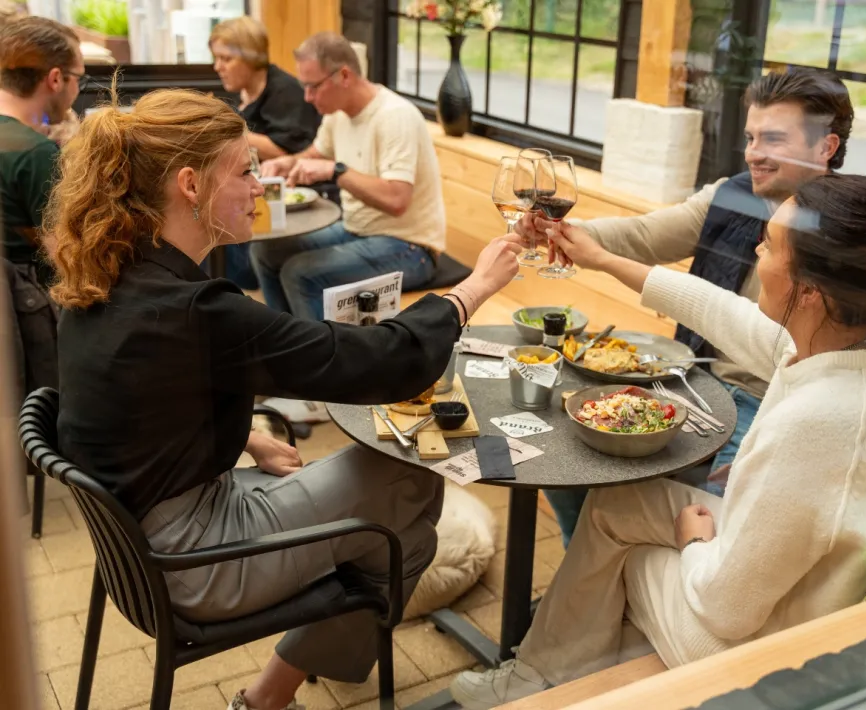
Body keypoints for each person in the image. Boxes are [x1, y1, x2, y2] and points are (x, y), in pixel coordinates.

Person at [45, 86, 521, 710]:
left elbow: (125, 397)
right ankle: (276, 690)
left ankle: (283, 680)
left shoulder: (114, 274)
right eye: (246, 171)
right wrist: (473, 288)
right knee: (411, 487)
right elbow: (375, 361)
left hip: (140, 541)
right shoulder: (193, 311)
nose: (260, 185)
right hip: (190, 562)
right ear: (190, 185)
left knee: (396, 516)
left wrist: (242, 436)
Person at [450, 173, 866, 709]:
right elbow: (721, 311)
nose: (757, 249)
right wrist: (602, 258)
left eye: (771, 245)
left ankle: (547, 682)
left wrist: (692, 541)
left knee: (618, 559)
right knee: (618, 501)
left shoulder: (823, 423)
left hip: (771, 649)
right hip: (810, 580)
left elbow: (726, 609)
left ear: (810, 291)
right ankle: (551, 666)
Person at [518, 67, 856, 546]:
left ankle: (614, 582)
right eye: (751, 137)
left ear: (827, 147)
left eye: (773, 139)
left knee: (715, 525)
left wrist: (600, 257)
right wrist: (565, 233)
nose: (754, 153)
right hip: (691, 381)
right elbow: (643, 235)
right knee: (563, 449)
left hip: (768, 406)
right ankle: (586, 565)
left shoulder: (846, 230)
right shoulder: (731, 194)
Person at [253, 31, 445, 321]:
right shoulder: (337, 113)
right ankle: (286, 346)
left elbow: (397, 200)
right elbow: (315, 154)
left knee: (300, 273)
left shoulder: (395, 117)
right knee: (264, 252)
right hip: (356, 229)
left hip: (410, 246)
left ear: (344, 75)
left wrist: (336, 170)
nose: (307, 97)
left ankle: (323, 360)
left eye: (312, 86)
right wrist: (287, 162)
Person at [209, 15, 322, 290]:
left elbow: (287, 150)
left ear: (250, 57)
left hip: (292, 197)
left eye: (226, 59)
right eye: (216, 58)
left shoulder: (286, 92)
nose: (218, 67)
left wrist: (230, 131)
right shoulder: (246, 92)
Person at [0, 15, 84, 288]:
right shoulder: (35, 153)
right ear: (56, 79)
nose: (77, 89)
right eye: (78, 78)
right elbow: (68, 259)